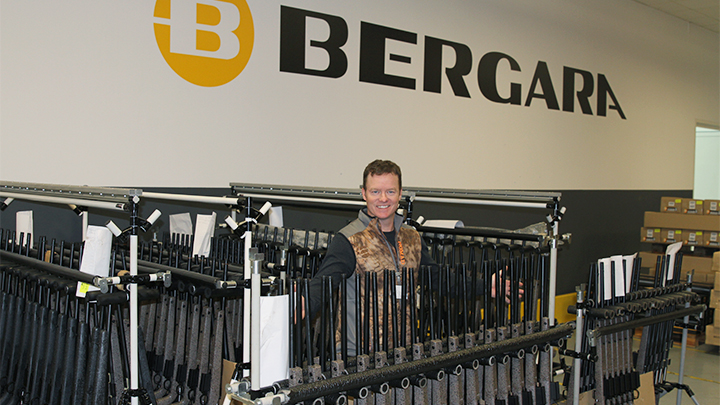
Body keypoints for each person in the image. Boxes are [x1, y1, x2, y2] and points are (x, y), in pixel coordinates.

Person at [306, 159, 438, 355]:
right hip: (358, 355)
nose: (383, 198)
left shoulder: (412, 238)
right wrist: (302, 300)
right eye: (375, 191)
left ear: (400, 193)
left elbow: (439, 278)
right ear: (364, 194)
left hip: (405, 352)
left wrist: (489, 284)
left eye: (390, 192)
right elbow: (323, 282)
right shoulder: (349, 239)